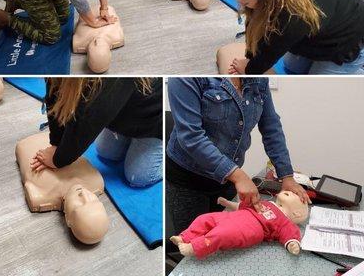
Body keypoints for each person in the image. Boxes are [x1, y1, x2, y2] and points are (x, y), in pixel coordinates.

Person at [166, 77, 309, 236]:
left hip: (226, 182)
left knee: (226, 239)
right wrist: (238, 176)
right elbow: (190, 137)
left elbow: (271, 127)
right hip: (188, 182)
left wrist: (287, 175)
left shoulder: (258, 79)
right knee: (194, 243)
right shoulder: (184, 79)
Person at [224, 0, 364, 75]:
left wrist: (249, 70)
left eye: (245, 3)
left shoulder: (292, 15)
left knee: (318, 91)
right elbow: (255, 25)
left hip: (351, 38)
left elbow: (271, 51)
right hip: (329, 22)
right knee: (292, 66)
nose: (242, 6)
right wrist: (249, 58)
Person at [30, 78, 163, 188]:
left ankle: (166, 146)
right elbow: (55, 95)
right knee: (105, 152)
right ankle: (131, 139)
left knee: (138, 177)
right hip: (121, 113)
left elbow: (89, 118)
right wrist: (56, 143)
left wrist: (59, 159)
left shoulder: (114, 81)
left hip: (152, 121)